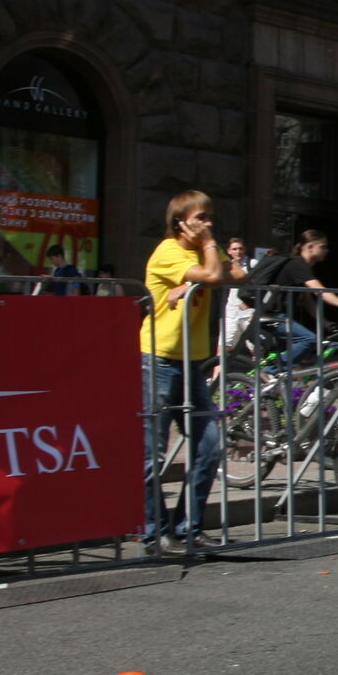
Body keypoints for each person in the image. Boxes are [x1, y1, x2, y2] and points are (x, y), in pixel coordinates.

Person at [141, 190, 231, 554]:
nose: (209, 224)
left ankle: (187, 528)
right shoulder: (168, 251)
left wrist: (194, 281)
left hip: (192, 362)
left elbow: (234, 274)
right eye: (201, 218)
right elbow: (215, 272)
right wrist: (207, 267)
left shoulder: (200, 251)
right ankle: (154, 534)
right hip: (159, 358)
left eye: (210, 217)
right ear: (181, 223)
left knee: (211, 445)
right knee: (152, 454)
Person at [263, 230, 338, 366]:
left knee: (295, 359)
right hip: (274, 317)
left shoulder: (303, 266)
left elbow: (307, 301)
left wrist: (325, 323)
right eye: (323, 247)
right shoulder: (298, 264)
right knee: (308, 340)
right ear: (310, 247)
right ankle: (271, 372)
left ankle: (275, 378)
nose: (327, 251)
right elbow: (320, 291)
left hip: (280, 317)